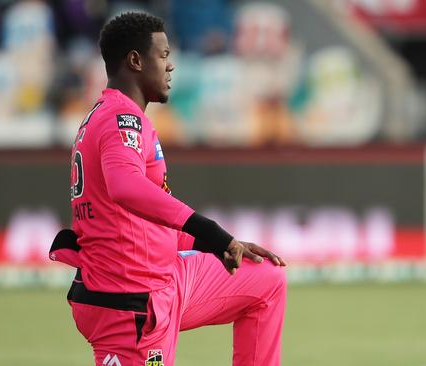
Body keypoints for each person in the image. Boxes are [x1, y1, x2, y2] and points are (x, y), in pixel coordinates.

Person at [49, 12, 287, 366]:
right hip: (128, 296)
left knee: (266, 281)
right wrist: (208, 230)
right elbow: (125, 187)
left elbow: (145, 218)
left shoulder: (117, 117)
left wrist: (216, 245)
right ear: (135, 60)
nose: (171, 66)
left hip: (163, 277)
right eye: (162, 56)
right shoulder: (120, 120)